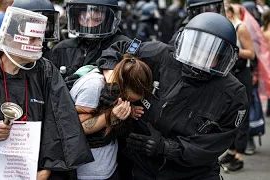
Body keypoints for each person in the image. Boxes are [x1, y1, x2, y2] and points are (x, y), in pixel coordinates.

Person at [97, 12, 249, 180]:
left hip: (193, 173)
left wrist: (167, 148)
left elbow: (216, 142)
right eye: (197, 49)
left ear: (222, 58)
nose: (200, 59)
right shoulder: (158, 54)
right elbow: (116, 50)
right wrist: (113, 85)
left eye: (210, 55)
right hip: (142, 165)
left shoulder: (232, 94)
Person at [0, 6, 93, 180]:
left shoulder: (45, 72)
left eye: (39, 39)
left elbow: (61, 122)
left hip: (37, 171)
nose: (39, 44)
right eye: (32, 39)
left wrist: (46, 169)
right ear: (9, 38)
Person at [70, 54, 153, 180]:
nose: (127, 102)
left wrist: (128, 111)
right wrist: (113, 115)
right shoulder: (94, 86)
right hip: (89, 171)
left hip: (107, 165)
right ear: (121, 86)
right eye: (127, 99)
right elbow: (77, 128)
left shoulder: (114, 86)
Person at [49, 0, 130, 89]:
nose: (90, 25)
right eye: (84, 19)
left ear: (109, 19)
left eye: (97, 20)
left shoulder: (124, 46)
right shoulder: (62, 49)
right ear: (76, 18)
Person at [220, 4, 255, 171]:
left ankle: (239, 155)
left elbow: (251, 53)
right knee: (230, 114)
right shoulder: (225, 26)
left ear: (228, 12)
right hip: (230, 73)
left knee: (242, 113)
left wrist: (234, 48)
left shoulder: (240, 28)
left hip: (242, 73)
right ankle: (232, 150)